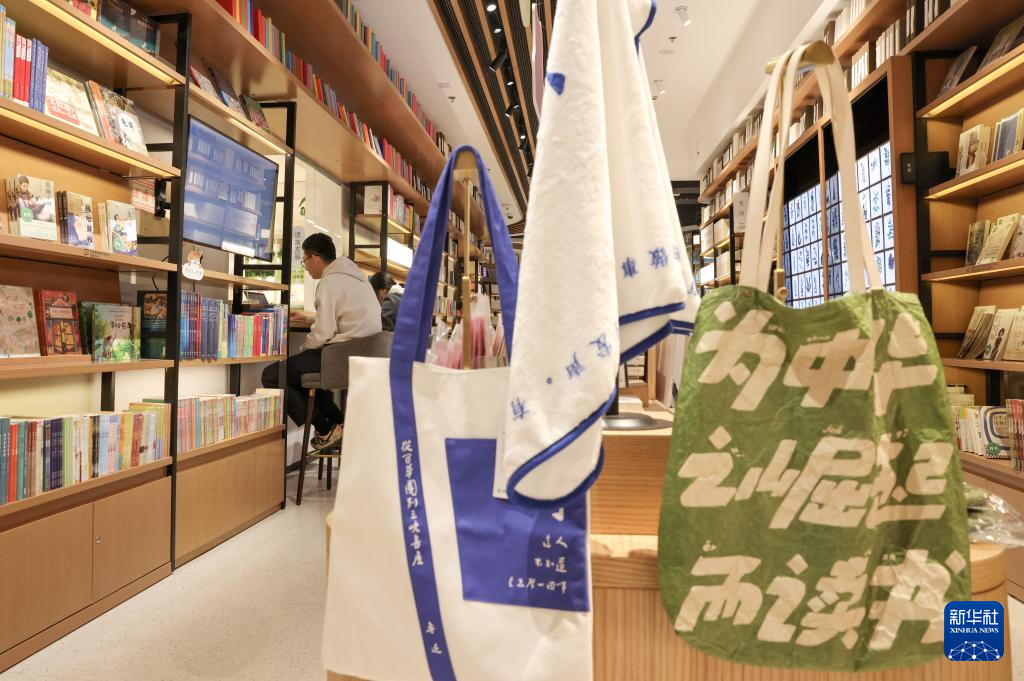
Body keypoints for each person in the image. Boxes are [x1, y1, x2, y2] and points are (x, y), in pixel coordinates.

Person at [263, 233, 381, 450]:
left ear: (315, 258)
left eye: (305, 261)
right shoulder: (359, 278)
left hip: (341, 357)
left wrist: (305, 348)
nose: (306, 268)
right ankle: (340, 423)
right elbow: (347, 315)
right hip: (364, 357)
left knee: (273, 375)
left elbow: (324, 332)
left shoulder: (329, 283)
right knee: (302, 374)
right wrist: (311, 318)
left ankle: (325, 429)